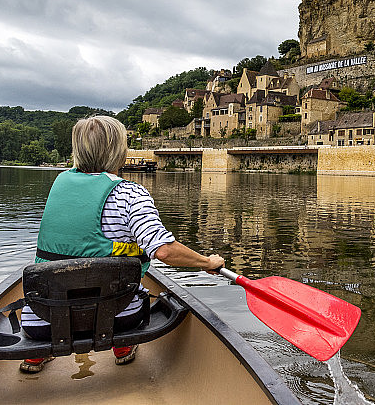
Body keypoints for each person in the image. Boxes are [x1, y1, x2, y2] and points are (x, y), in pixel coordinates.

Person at [19, 115, 224, 373]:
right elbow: (164, 250)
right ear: (119, 152)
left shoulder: (59, 184)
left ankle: (36, 354)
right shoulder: (130, 194)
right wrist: (208, 262)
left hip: (43, 320)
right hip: (118, 320)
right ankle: (123, 347)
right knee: (135, 293)